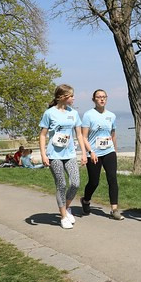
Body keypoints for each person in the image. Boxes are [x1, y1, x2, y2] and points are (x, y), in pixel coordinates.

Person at [39, 84, 88, 229]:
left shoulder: (73, 113)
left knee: (75, 183)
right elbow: (42, 135)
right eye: (71, 96)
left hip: (70, 154)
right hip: (54, 155)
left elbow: (79, 134)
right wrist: (43, 154)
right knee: (61, 184)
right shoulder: (49, 113)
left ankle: (66, 208)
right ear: (62, 97)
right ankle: (63, 216)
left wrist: (84, 153)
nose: (73, 98)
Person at [80, 89, 123, 220]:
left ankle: (114, 209)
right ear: (94, 100)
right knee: (94, 182)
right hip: (94, 153)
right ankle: (86, 200)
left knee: (112, 179)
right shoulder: (88, 115)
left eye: (104, 97)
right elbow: (84, 137)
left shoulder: (111, 115)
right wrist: (90, 152)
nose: (102, 99)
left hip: (109, 151)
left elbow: (113, 134)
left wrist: (115, 151)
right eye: (99, 97)